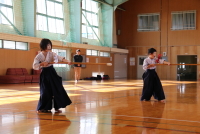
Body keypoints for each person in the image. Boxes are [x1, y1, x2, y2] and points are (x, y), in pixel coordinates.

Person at [33, 38, 72, 113]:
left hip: (52, 73)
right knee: (45, 91)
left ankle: (57, 106)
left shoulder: (52, 54)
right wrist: (41, 64)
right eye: (47, 45)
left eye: (49, 44)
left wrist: (68, 61)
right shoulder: (39, 56)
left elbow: (60, 58)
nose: (49, 46)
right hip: (44, 74)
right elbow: (34, 66)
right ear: (43, 46)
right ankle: (43, 108)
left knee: (58, 88)